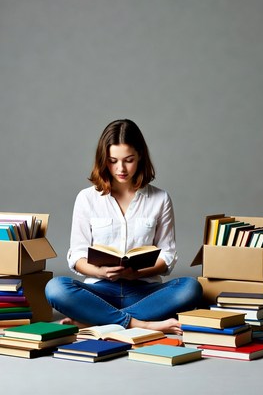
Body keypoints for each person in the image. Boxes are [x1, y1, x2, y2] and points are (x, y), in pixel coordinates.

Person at [45, 119, 202, 334]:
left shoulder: (160, 198)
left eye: (129, 160)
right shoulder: (87, 198)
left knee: (190, 288)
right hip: (100, 290)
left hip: (145, 290)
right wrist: (102, 272)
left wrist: (135, 275)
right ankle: (140, 324)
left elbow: (167, 256)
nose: (120, 168)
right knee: (56, 288)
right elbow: (77, 256)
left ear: (140, 158)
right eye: (112, 161)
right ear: (103, 160)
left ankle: (96, 320)